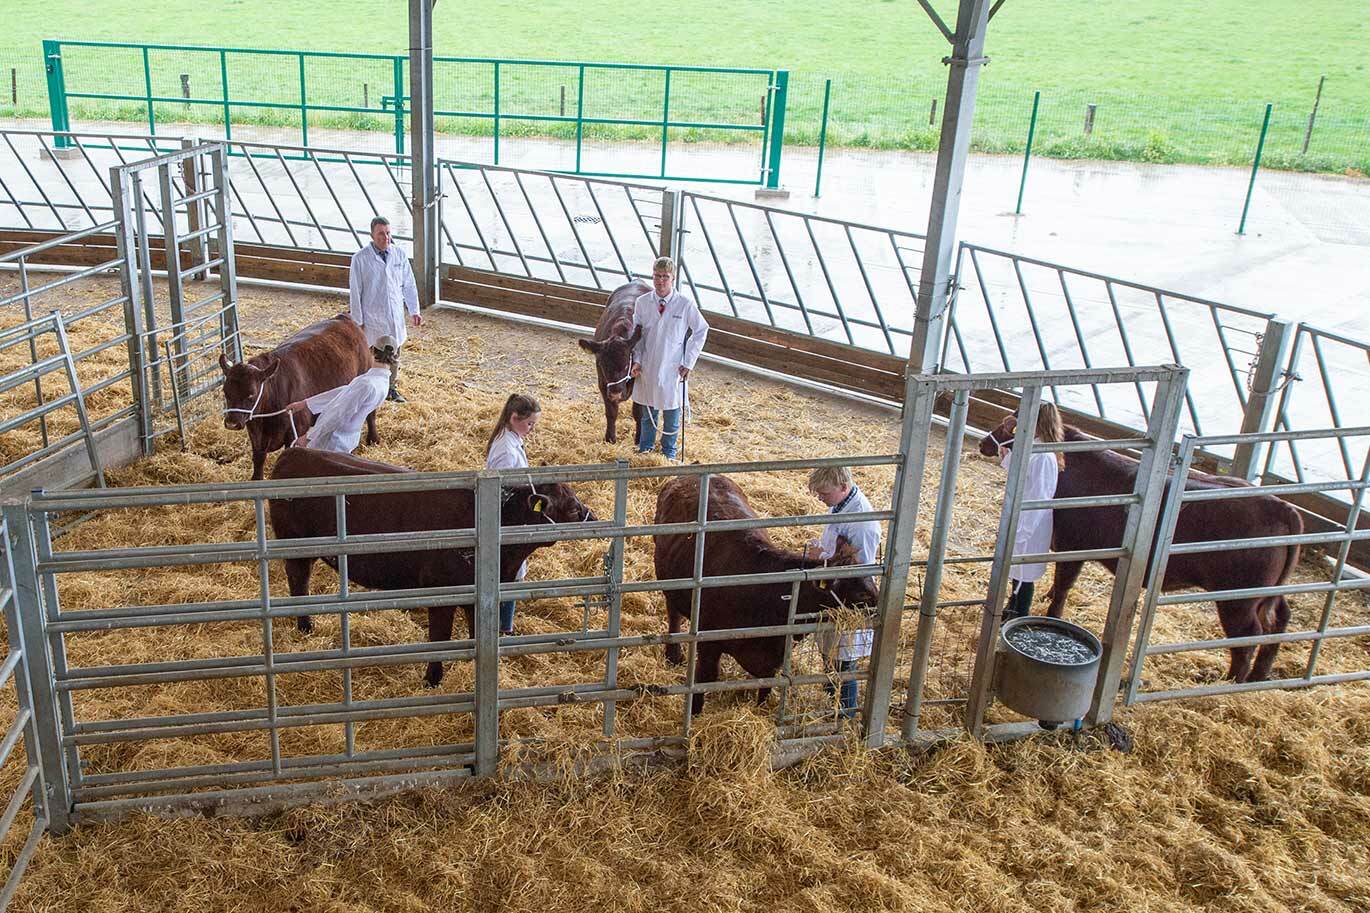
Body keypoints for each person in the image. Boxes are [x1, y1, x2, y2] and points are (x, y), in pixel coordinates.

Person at [804, 466, 882, 720]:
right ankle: (832, 702)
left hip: (850, 603)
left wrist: (822, 558)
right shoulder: (842, 504)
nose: (820, 498)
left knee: (845, 660)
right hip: (833, 593)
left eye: (824, 493)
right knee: (831, 653)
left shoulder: (861, 524)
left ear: (843, 487)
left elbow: (860, 571)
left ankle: (845, 715)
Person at [629, 256, 708, 460]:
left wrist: (688, 361)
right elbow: (636, 335)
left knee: (672, 412)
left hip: (673, 366)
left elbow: (701, 330)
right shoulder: (642, 303)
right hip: (647, 364)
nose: (660, 281)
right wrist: (636, 360)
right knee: (648, 412)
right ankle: (646, 451)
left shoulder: (684, 304)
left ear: (673, 278)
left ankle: (668, 454)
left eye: (665, 277)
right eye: (657, 276)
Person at [992, 402, 1065, 622]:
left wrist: (1023, 531)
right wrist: (1006, 456)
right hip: (1022, 517)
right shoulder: (1036, 446)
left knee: (1024, 574)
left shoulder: (1044, 455)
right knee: (1016, 570)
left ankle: (1019, 618)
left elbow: (1039, 496)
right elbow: (1024, 473)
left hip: (1030, 522)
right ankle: (1011, 608)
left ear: (1037, 422)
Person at [485, 394, 542, 636]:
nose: (532, 429)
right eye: (529, 423)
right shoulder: (505, 451)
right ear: (514, 418)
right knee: (510, 575)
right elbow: (502, 493)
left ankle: (503, 626)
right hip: (506, 520)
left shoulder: (511, 440)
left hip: (512, 519)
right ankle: (502, 629)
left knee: (512, 572)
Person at [349, 216, 422, 403]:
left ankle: (390, 388)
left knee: (394, 353)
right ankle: (369, 391)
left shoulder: (399, 255)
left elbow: (409, 284)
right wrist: (358, 322)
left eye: (388, 233)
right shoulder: (360, 259)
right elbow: (355, 292)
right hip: (372, 317)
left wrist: (414, 310)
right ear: (372, 235)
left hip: (394, 314)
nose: (386, 237)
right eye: (381, 233)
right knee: (373, 355)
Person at [288, 336, 396, 454]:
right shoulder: (382, 383)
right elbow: (345, 391)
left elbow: (339, 413)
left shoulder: (366, 383)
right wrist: (305, 404)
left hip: (332, 440)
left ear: (372, 351)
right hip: (348, 438)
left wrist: (309, 437)